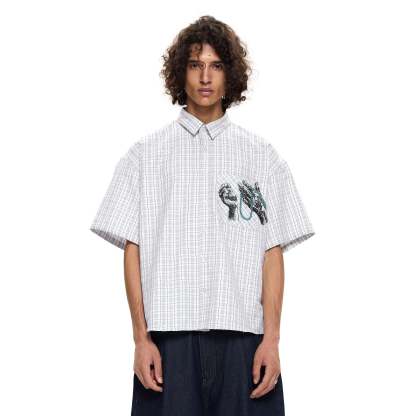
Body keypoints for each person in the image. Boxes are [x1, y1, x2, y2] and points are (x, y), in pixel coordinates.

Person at [90, 15, 315, 416]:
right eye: (195, 65)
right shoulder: (145, 157)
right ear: (182, 73)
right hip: (168, 341)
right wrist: (141, 339)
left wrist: (272, 339)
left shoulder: (262, 158)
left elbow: (272, 253)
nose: (205, 77)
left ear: (231, 75)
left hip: (244, 340)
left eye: (216, 65)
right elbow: (132, 249)